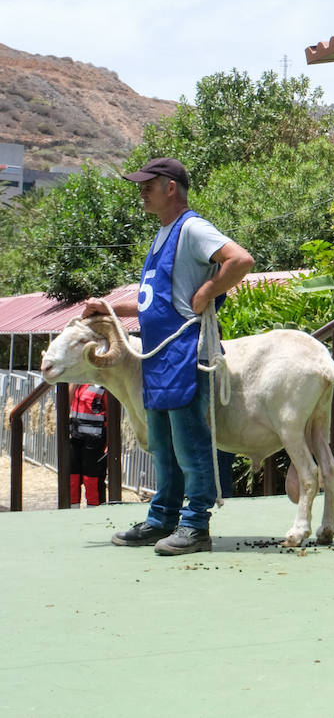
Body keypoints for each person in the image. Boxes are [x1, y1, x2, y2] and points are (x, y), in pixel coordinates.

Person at [86, 157, 254, 556]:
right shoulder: (163, 234)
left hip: (186, 352)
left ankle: (195, 526)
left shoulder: (192, 228)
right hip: (160, 355)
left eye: (148, 183)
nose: (141, 190)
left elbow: (240, 260)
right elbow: (155, 302)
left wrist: (206, 293)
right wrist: (110, 310)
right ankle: (162, 519)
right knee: (162, 443)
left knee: (190, 443)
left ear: (171, 188)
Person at [67, 383, 108, 506]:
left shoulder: (103, 387)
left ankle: (94, 510)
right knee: (72, 476)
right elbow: (65, 404)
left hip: (96, 440)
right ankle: (71, 508)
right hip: (76, 437)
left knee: (92, 478)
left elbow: (112, 415)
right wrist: (73, 384)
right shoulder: (78, 385)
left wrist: (109, 441)